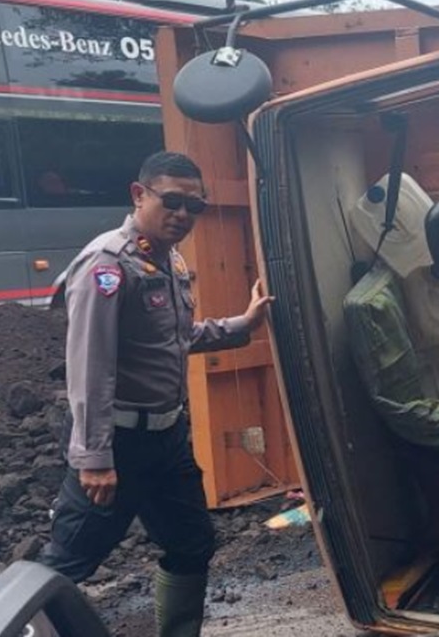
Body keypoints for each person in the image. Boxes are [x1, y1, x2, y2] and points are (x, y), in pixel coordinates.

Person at [38, 151, 272, 637]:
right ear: (138, 195)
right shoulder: (108, 266)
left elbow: (177, 338)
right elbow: (89, 367)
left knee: (191, 545)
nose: (183, 215)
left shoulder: (167, 261)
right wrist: (95, 457)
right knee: (62, 570)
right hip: (117, 447)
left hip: (167, 442)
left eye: (194, 206)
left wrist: (242, 326)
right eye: (171, 201)